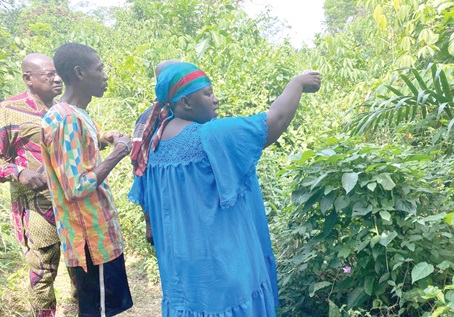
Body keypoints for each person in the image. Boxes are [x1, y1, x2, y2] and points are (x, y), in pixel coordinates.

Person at [128, 62, 321, 316]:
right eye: (208, 93)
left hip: (182, 275)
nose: (215, 99)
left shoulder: (151, 144)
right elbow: (275, 120)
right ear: (185, 102)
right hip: (223, 272)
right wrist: (297, 83)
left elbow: (146, 201)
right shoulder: (210, 136)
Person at [40, 43, 133, 317]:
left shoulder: (74, 115)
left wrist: (102, 142)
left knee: (102, 308)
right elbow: (76, 187)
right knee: (98, 312)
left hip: (97, 235)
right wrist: (118, 153)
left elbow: (75, 157)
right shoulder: (66, 120)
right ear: (80, 73)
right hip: (90, 239)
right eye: (100, 69)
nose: (105, 76)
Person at [0, 53, 70, 317]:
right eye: (49, 74)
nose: (57, 79)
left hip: (73, 203)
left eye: (57, 73)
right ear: (28, 78)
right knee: (42, 272)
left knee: (81, 267)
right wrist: (17, 172)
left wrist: (103, 137)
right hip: (37, 210)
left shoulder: (63, 108)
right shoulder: (8, 110)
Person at [130, 59, 180, 245]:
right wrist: (149, 223)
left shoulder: (194, 112)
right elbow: (139, 171)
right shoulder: (147, 120)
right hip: (163, 206)